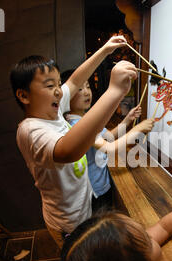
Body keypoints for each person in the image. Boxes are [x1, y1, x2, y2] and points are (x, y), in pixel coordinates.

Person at [11, 36, 137, 248]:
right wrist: (114, 91)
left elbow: (76, 81)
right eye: (50, 85)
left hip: (83, 210)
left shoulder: (56, 111)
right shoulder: (30, 130)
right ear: (24, 96)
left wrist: (104, 50)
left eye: (58, 84)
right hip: (67, 223)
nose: (59, 90)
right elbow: (68, 151)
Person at [63, 74, 154, 212]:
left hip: (101, 182)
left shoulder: (86, 118)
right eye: (80, 89)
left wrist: (127, 120)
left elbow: (107, 136)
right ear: (66, 97)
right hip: (94, 189)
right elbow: (109, 148)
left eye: (88, 86)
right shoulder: (75, 125)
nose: (87, 92)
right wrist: (137, 130)